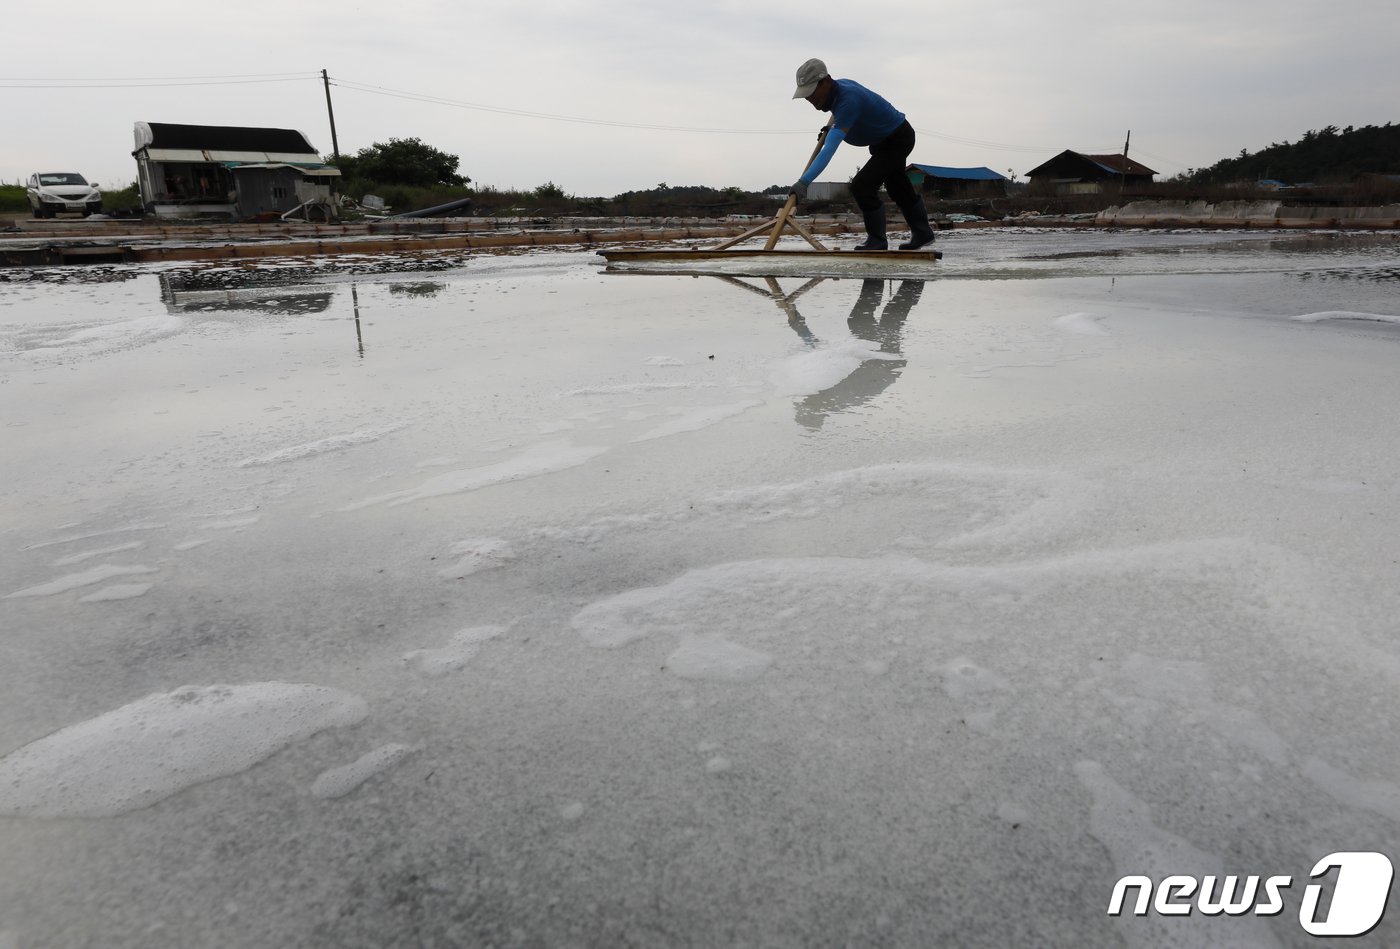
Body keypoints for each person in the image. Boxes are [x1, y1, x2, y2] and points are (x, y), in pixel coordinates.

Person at [789, 58, 936, 252]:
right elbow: (838, 113)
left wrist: (804, 182)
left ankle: (877, 241)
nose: (810, 100)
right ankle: (923, 233)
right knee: (897, 186)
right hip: (882, 140)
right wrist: (830, 126)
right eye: (806, 96)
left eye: (812, 93)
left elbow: (830, 149)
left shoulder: (849, 100)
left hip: (897, 138)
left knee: (862, 186)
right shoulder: (837, 90)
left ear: (827, 82)